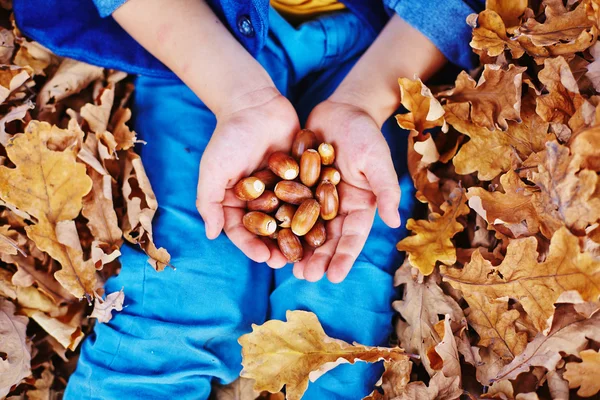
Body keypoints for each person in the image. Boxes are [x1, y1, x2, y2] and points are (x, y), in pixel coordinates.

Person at [14, 0, 483, 398]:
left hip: (384, 54)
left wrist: (364, 102)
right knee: (176, 299)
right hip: (195, 40)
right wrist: (235, 96)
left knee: (338, 324)